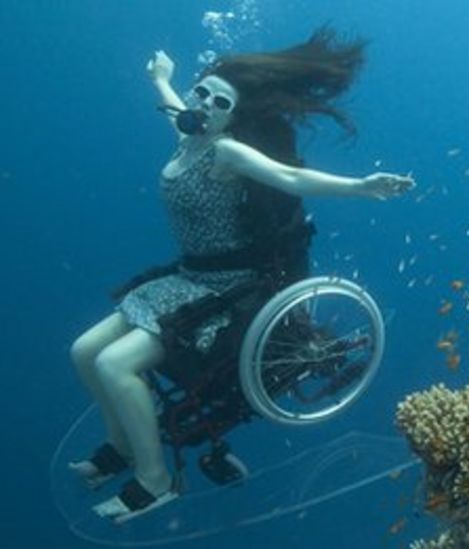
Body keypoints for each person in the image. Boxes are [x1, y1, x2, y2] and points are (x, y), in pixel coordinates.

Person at [67, 27, 415, 522]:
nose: (204, 105)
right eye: (201, 93)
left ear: (233, 116)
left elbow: (290, 177)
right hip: (183, 278)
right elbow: (176, 104)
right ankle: (121, 447)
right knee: (83, 352)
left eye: (219, 103)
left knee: (113, 365)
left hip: (223, 290)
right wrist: (162, 79)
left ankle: (155, 481)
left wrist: (361, 186)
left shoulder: (226, 152)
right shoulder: (187, 135)